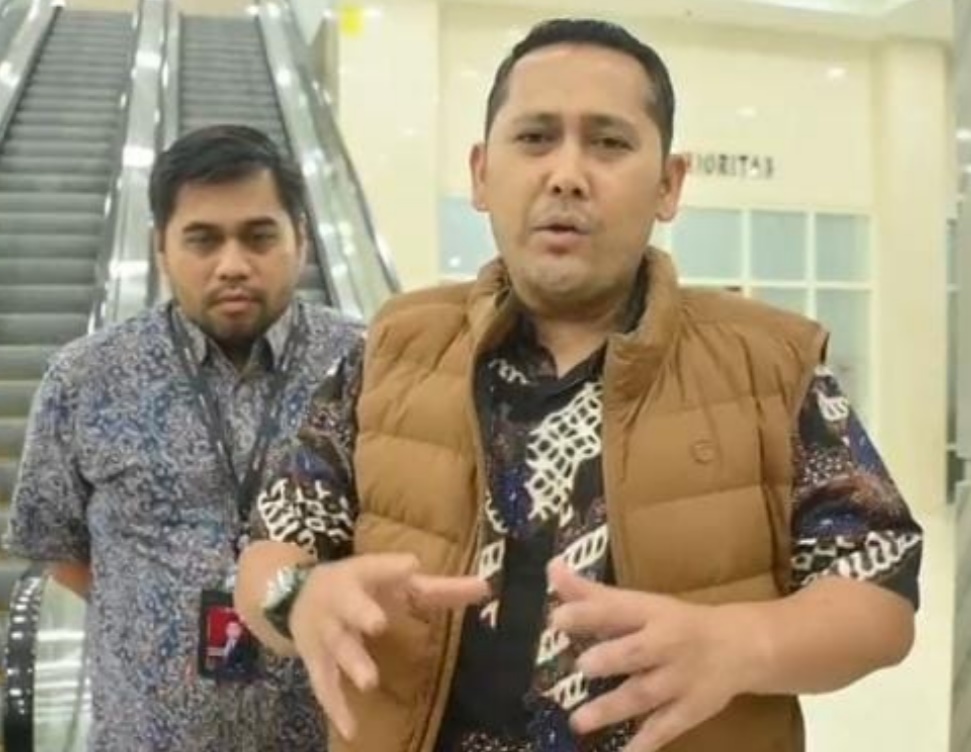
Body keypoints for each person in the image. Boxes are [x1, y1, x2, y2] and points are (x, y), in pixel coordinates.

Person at [234, 18, 923, 752]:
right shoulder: (392, 352)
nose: (566, 174)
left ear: (668, 184)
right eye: (534, 138)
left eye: (609, 143)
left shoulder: (771, 366)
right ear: (481, 173)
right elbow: (267, 552)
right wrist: (297, 598)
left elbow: (879, 593)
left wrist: (741, 642)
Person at [4, 125, 362, 751]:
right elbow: (56, 545)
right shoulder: (85, 378)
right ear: (161, 248)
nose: (233, 265)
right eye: (203, 239)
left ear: (302, 239)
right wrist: (150, 611)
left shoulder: (366, 365)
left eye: (259, 237)